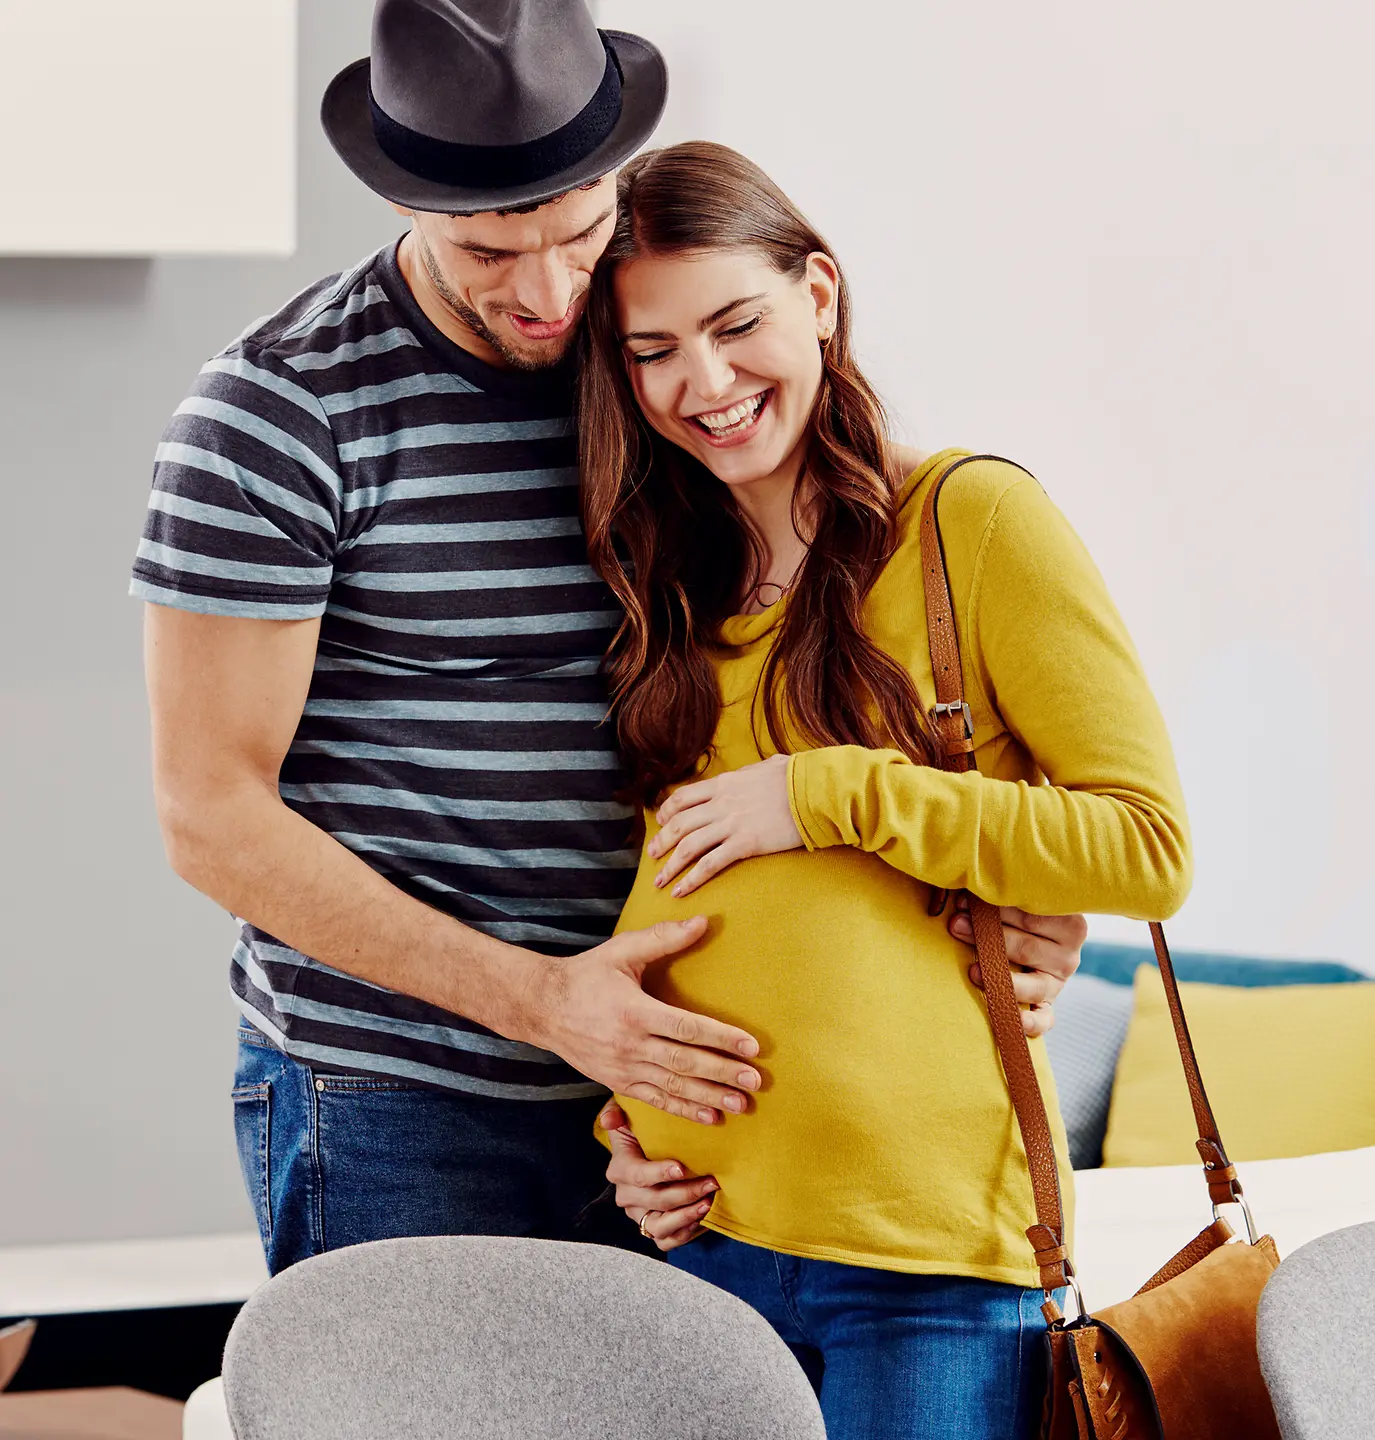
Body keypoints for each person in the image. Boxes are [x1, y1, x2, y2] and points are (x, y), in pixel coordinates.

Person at [131, 0, 1084, 1277]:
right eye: (486, 250)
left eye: (580, 233)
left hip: (696, 1091)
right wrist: (551, 1009)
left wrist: (1024, 905)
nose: (545, 293)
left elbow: (873, 665)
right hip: (404, 1102)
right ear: (402, 199)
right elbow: (210, 814)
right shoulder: (277, 415)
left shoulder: (675, 374)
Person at [576, 142, 1192, 1440]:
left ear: (822, 295)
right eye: (653, 350)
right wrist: (625, 1136)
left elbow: (1146, 850)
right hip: (704, 1247)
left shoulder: (972, 521)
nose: (704, 382)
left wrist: (834, 791)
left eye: (737, 323)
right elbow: (667, 905)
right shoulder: (672, 598)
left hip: (927, 1268)